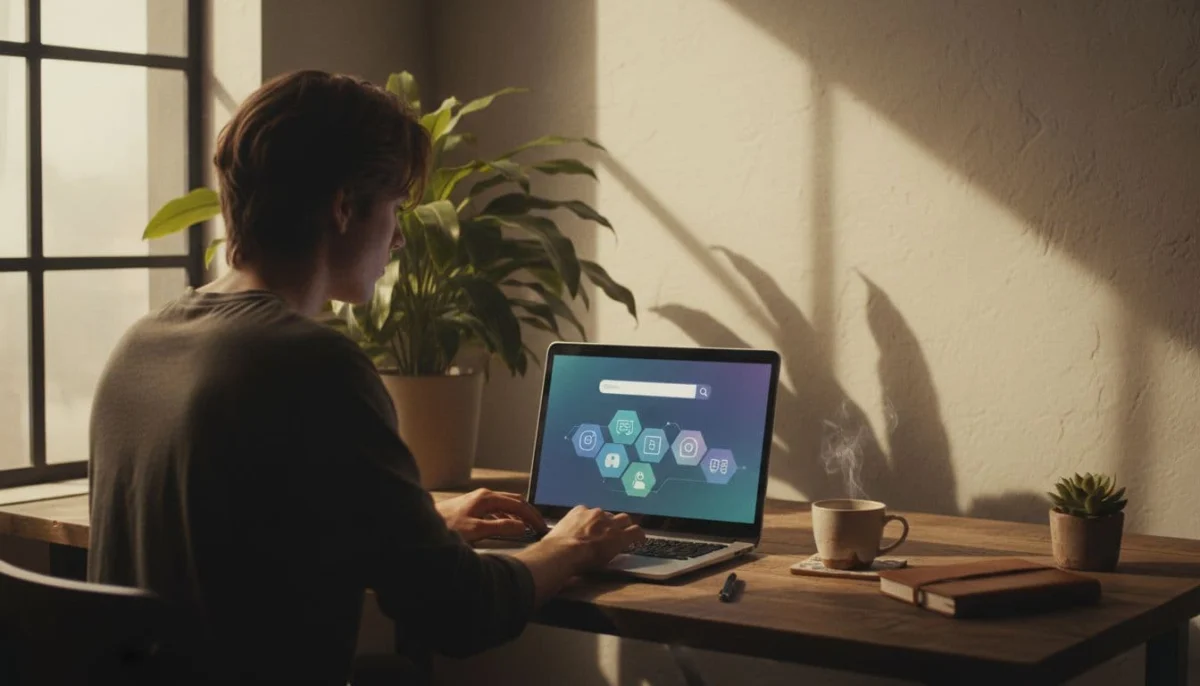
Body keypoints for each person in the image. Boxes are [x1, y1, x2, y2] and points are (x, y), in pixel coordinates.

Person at [87, 70, 644, 685]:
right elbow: (463, 613)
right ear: (344, 207)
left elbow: (249, 545)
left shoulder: (140, 345)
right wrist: (570, 546)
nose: (401, 236)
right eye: (396, 207)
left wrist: (420, 527)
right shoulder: (311, 365)